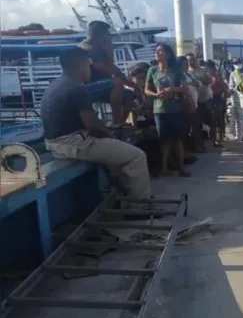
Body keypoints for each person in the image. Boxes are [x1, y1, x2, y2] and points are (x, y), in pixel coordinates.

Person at [42, 48, 151, 204]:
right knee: (136, 156)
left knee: (115, 154)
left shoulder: (56, 85)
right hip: (73, 143)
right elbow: (92, 126)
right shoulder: (78, 88)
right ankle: (140, 204)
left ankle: (122, 195)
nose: (90, 69)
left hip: (55, 144)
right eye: (88, 65)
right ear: (80, 65)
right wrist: (111, 136)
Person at [144, 43, 190, 177]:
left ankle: (181, 167)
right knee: (164, 140)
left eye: (160, 51)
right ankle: (164, 168)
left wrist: (172, 89)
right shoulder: (152, 70)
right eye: (156, 51)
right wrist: (156, 95)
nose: (157, 54)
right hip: (159, 109)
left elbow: (185, 88)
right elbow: (147, 90)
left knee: (178, 139)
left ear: (168, 54)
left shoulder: (176, 71)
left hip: (176, 108)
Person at [77, 20, 137, 125]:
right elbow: (108, 73)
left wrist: (129, 83)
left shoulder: (99, 47)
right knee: (116, 82)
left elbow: (112, 68)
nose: (109, 37)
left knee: (129, 95)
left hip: (102, 85)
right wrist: (110, 51)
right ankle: (117, 122)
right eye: (108, 34)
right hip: (86, 88)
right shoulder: (87, 48)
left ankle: (121, 124)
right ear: (101, 35)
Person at [187, 52, 216, 147]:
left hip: (204, 99)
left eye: (193, 60)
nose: (191, 62)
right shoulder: (186, 72)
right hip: (193, 101)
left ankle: (214, 140)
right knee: (196, 122)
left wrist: (202, 80)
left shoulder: (203, 70)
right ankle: (199, 143)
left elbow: (209, 80)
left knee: (210, 120)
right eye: (189, 60)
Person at [206, 60, 227, 146]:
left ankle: (220, 136)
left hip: (217, 98)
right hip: (207, 99)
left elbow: (222, 85)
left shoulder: (217, 75)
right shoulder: (205, 76)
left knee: (217, 118)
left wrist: (225, 92)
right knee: (211, 119)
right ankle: (212, 137)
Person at [228, 58, 243, 140]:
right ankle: (238, 135)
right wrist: (235, 89)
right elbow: (231, 86)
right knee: (236, 117)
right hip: (236, 98)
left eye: (238, 63)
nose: (237, 65)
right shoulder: (233, 74)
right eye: (235, 63)